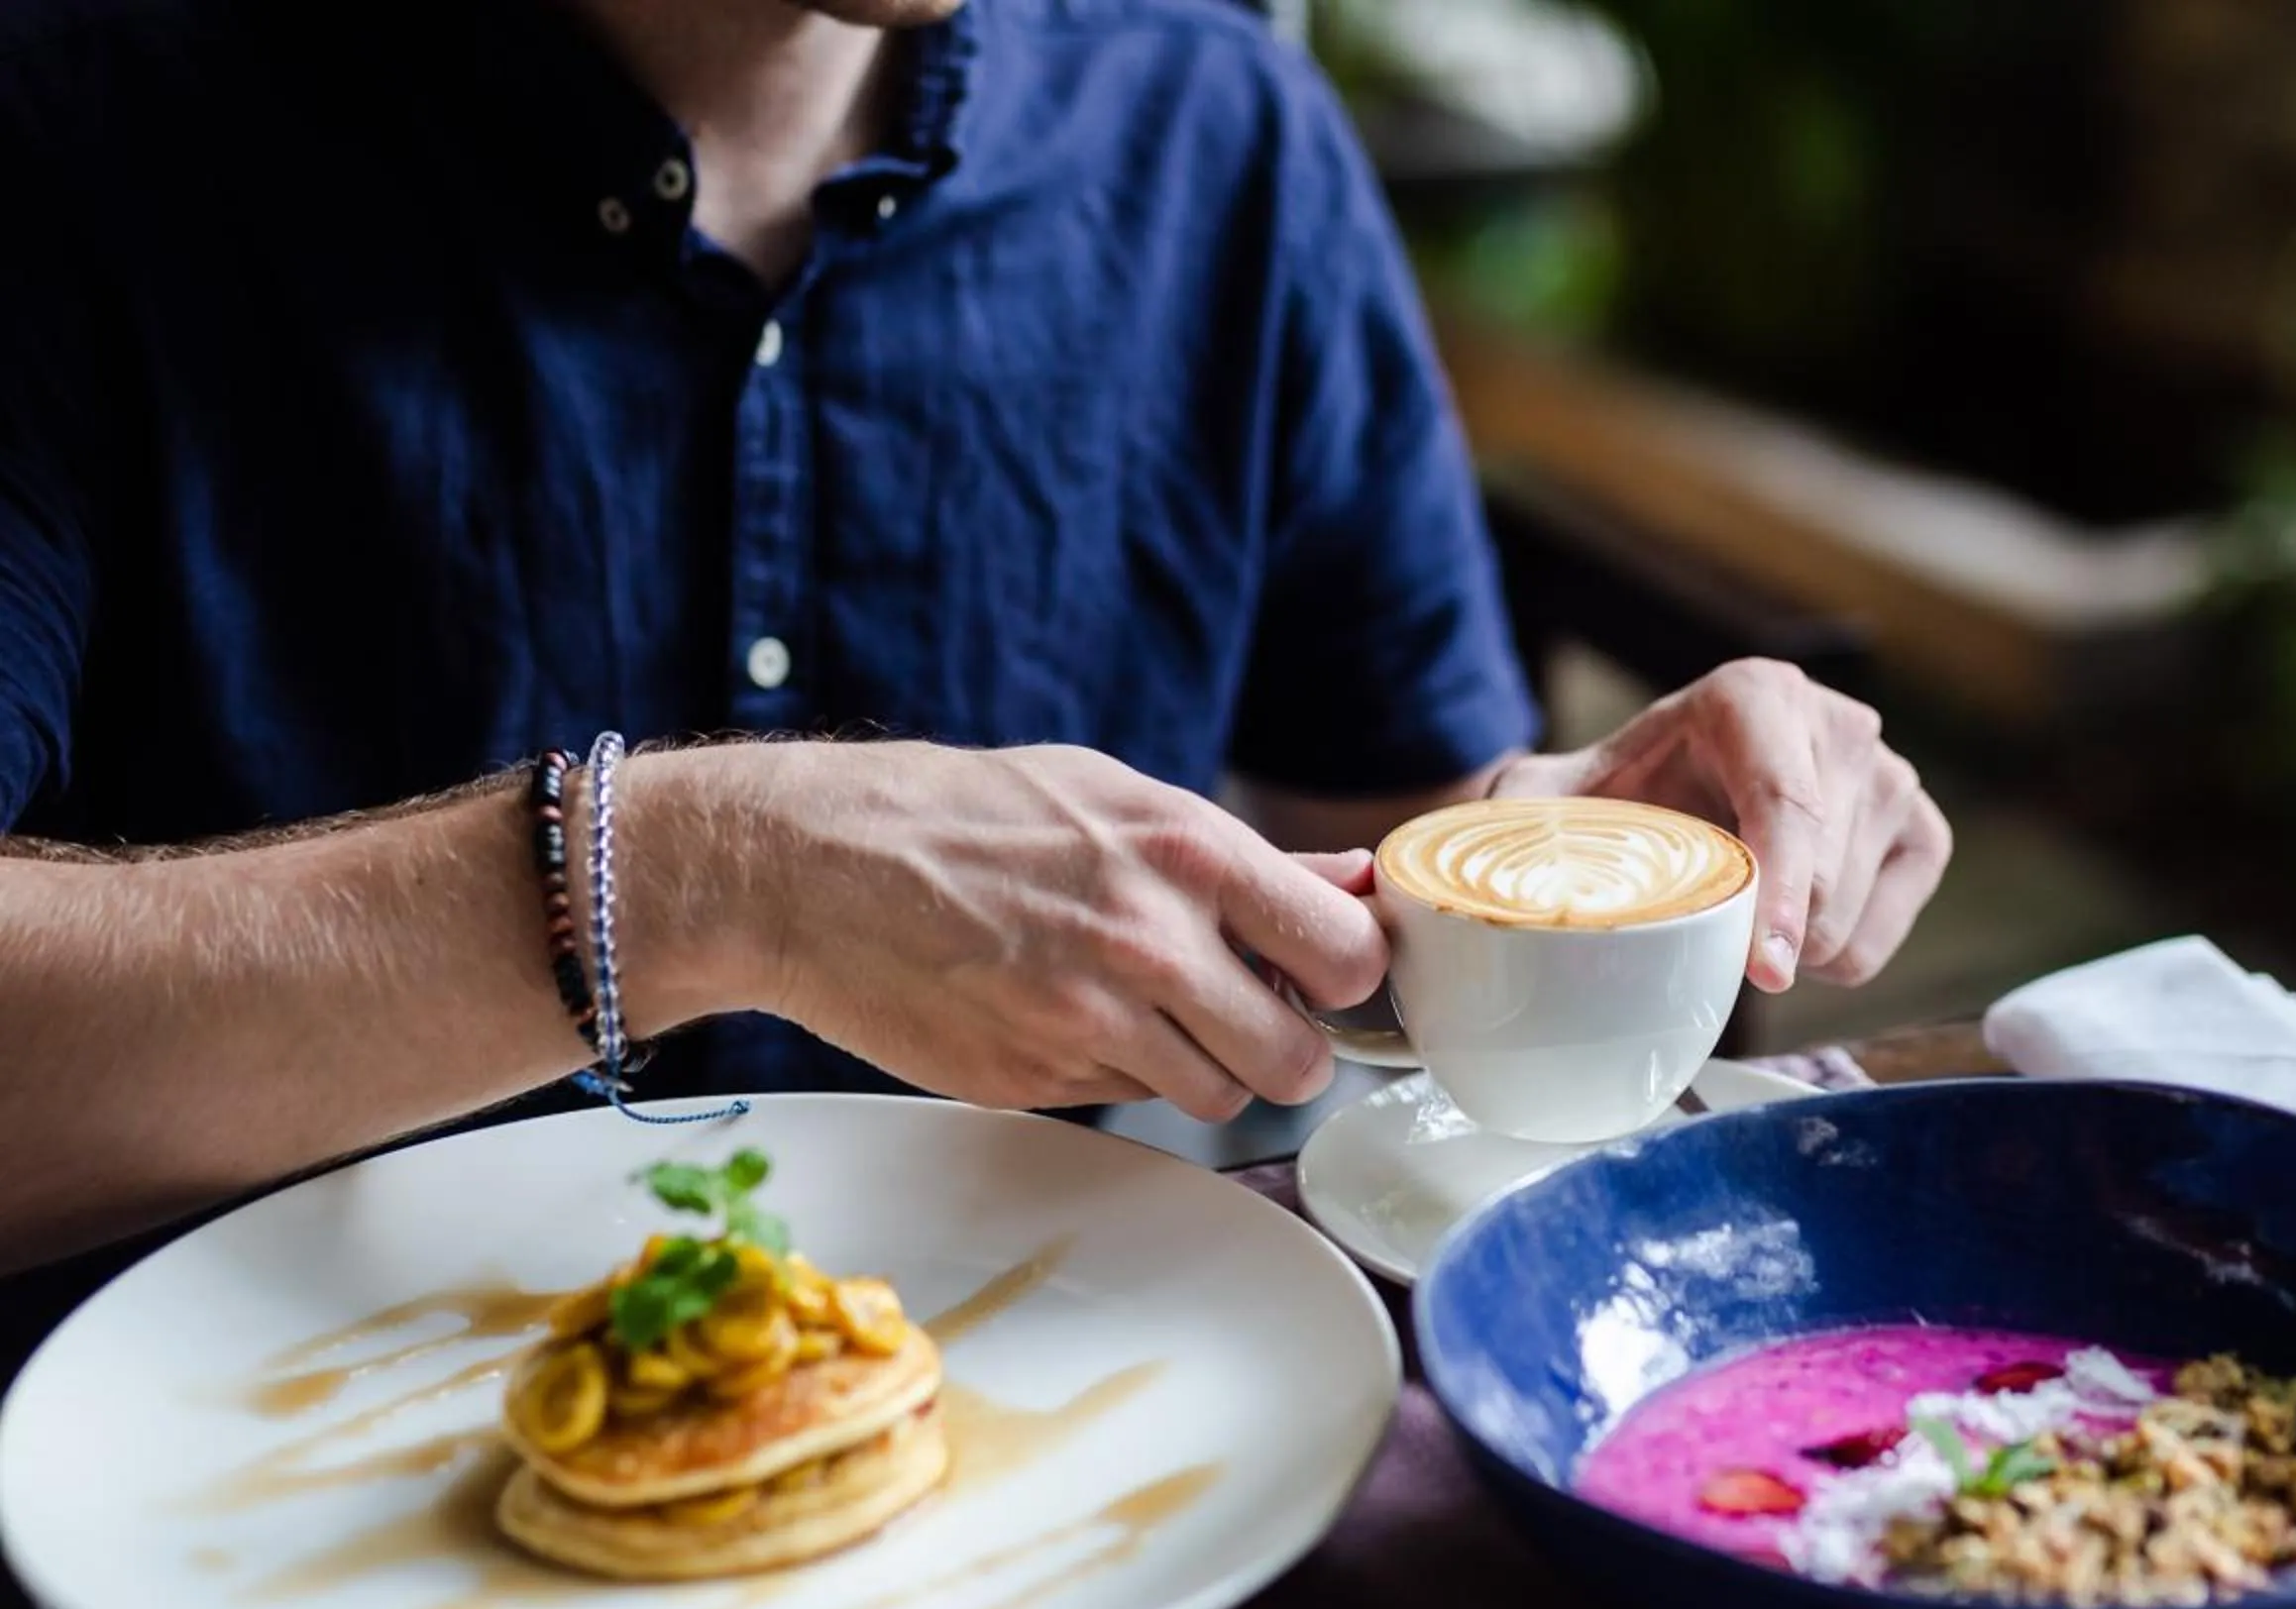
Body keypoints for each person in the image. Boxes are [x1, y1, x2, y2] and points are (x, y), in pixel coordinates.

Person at [0, 0, 1949, 1280]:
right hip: (258, 1514)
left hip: (1043, 1446)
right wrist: (702, 874)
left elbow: (1376, 867)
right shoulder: (73, 111)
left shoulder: (1217, 129)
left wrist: (1579, 869)